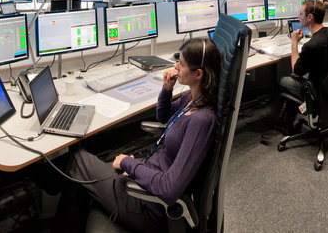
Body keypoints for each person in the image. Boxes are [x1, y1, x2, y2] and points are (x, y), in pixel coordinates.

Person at [52, 36, 221, 231]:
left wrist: (129, 164)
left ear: (198, 73)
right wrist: (166, 90)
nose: (175, 67)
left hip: (148, 206)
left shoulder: (202, 120)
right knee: (76, 174)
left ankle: (48, 182)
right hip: (146, 176)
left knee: (78, 160)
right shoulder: (191, 98)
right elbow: (164, 117)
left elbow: (169, 189)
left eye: (181, 64)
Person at [278, 0, 328, 117]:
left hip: (316, 88)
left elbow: (296, 72)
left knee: (283, 80)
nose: (298, 16)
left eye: (301, 14)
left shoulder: (311, 46)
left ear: (310, 17)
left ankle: (284, 120)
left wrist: (294, 43)